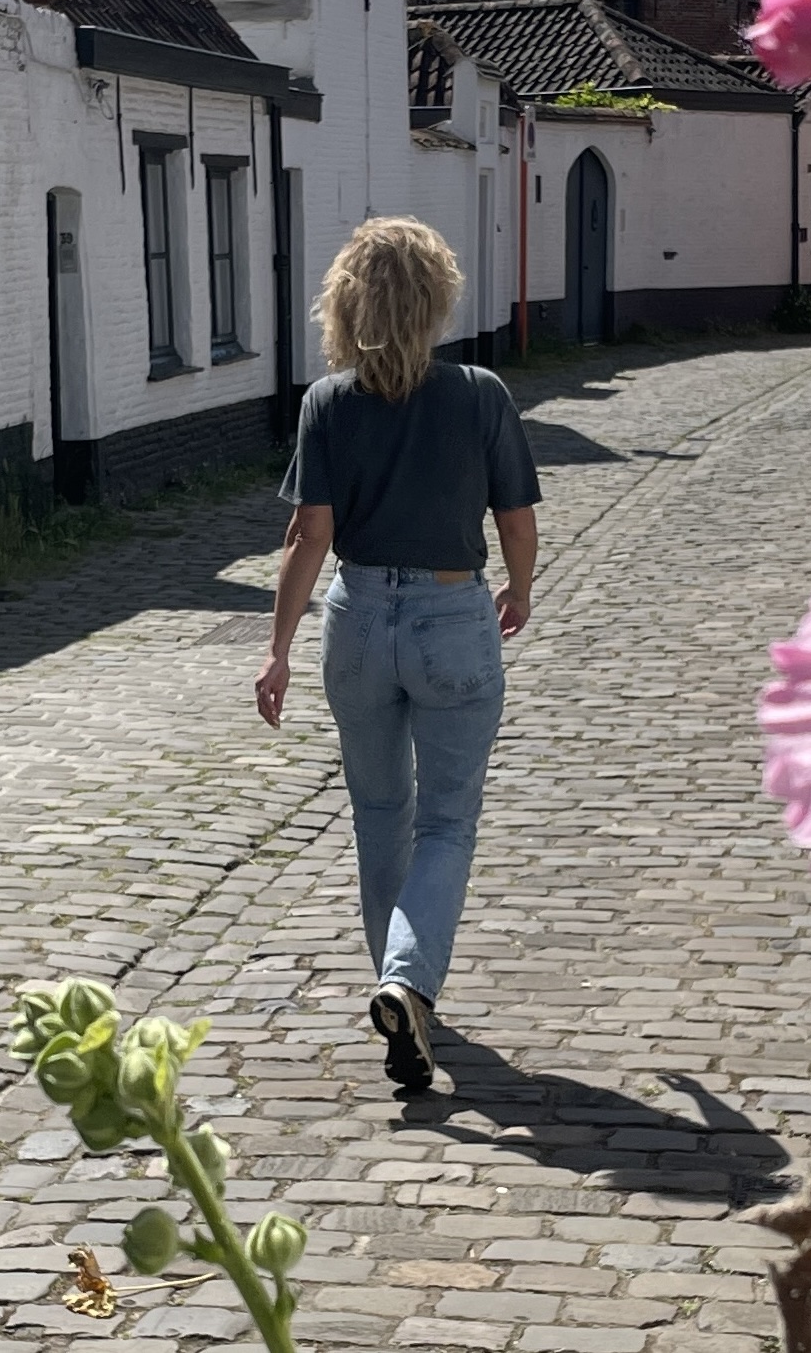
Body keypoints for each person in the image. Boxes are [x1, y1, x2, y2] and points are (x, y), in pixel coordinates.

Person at [255, 216, 541, 1094]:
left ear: (346, 304)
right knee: (447, 822)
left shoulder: (327, 403)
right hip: (453, 613)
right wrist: (520, 591)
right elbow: (516, 520)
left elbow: (310, 537)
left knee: (379, 815)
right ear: (435, 300)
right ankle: (406, 984)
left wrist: (279, 650)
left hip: (358, 618)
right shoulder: (481, 393)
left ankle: (401, 999)